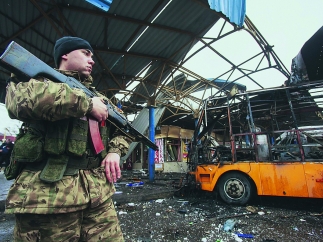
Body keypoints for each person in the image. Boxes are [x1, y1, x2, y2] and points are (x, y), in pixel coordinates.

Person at [4, 36, 132, 241]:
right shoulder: (35, 79)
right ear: (65, 54)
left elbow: (125, 129)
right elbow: (19, 101)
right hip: (48, 199)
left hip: (98, 197)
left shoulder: (100, 97)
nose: (92, 60)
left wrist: (115, 152)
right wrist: (87, 105)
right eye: (86, 53)